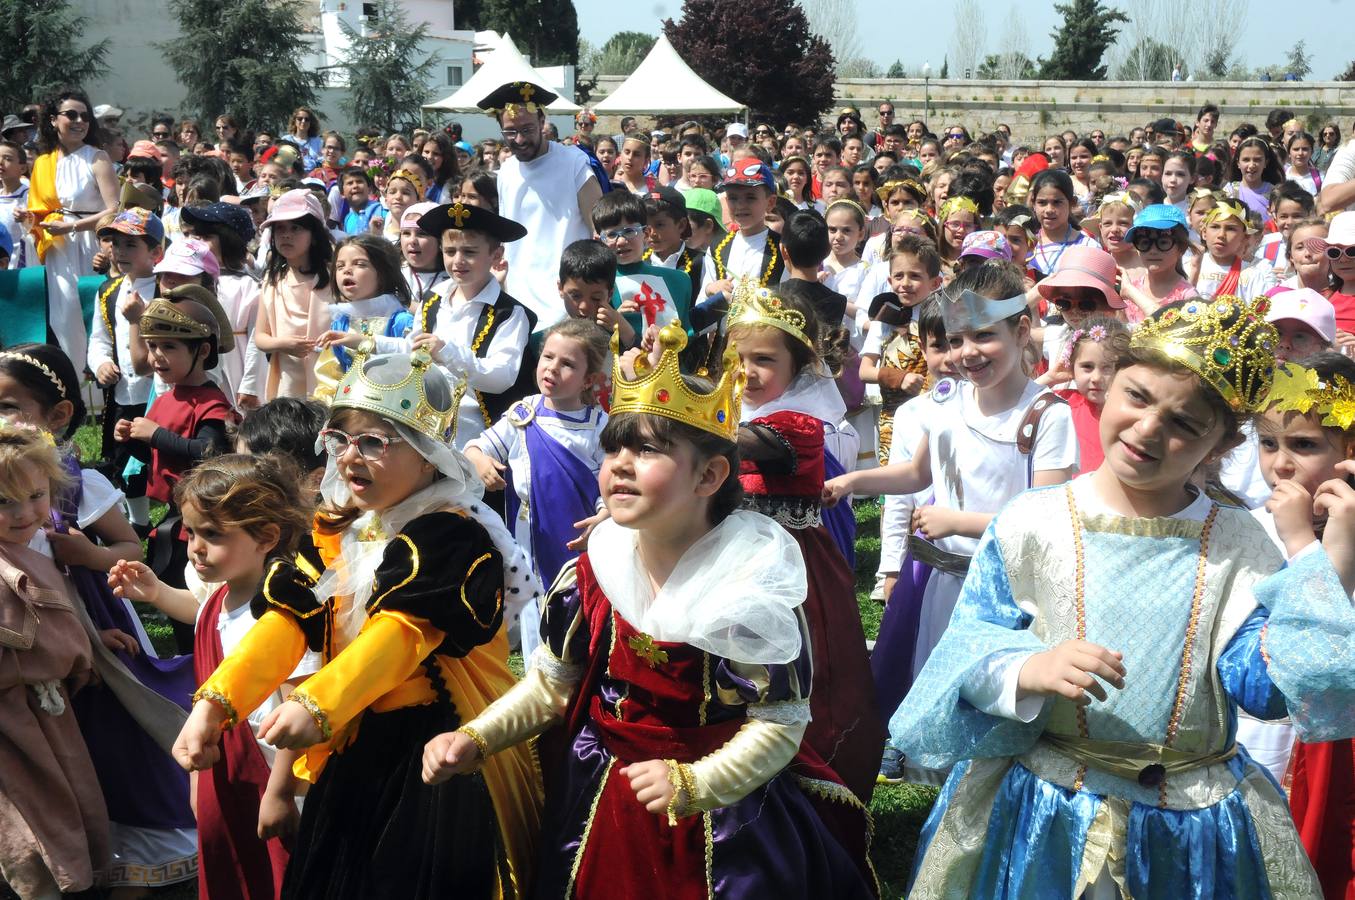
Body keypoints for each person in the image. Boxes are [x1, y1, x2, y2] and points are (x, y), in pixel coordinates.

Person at [892, 294, 1355, 897]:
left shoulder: (1239, 545)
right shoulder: (1033, 522)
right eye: (1136, 397)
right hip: (1049, 808)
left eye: (1185, 424)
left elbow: (1265, 692)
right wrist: (1030, 667)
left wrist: (1330, 568)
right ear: (1107, 388)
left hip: (1190, 825)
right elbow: (970, 643)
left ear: (1218, 447)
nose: (1147, 430)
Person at [422, 322, 877, 898]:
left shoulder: (744, 587)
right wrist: (478, 737)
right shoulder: (594, 572)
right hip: (605, 790)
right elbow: (551, 685)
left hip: (722, 814)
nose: (620, 464)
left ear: (710, 475)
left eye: (648, 450)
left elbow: (780, 722)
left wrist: (697, 782)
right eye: (613, 448)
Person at [175, 345, 544, 899]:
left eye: (374, 442)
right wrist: (218, 702)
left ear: (427, 456)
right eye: (341, 440)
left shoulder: (450, 534)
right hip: (356, 729)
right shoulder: (341, 523)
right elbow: (292, 619)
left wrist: (315, 705)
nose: (350, 459)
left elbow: (403, 632)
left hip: (429, 746)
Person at [824, 265, 1079, 782]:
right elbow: (919, 471)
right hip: (946, 584)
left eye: (985, 335)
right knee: (945, 697)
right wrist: (853, 482)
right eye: (958, 338)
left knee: (992, 714)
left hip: (1009, 596)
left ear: (1021, 331)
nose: (968, 352)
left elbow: (1047, 519)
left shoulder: (1047, 415)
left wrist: (954, 519)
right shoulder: (947, 400)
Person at [0, 344, 198, 894]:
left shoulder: (70, 482)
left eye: (11, 405)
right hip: (36, 663)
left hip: (90, 626)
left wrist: (90, 557)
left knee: (110, 745)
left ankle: (123, 850)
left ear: (58, 415)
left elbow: (130, 547)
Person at [110, 453, 320, 900]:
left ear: (266, 537)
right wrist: (157, 592)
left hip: (270, 776)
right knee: (231, 870)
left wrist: (282, 793)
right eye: (190, 532)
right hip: (222, 770)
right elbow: (207, 618)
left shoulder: (282, 612)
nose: (195, 547)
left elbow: (301, 711)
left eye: (213, 534)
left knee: (278, 877)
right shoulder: (224, 593)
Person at [0, 418, 111, 899]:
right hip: (13, 715)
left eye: (35, 496)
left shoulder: (34, 550)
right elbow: (43, 642)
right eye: (3, 502)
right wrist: (76, 655)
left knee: (64, 793)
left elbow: (58, 621)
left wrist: (94, 637)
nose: (23, 514)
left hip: (44, 707)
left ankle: (71, 877)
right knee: (30, 807)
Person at [465, 317, 609, 654]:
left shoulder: (599, 427)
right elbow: (475, 448)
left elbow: (610, 485)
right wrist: (482, 461)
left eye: (568, 364)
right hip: (528, 540)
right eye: (548, 357)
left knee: (576, 620)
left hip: (576, 542)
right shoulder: (523, 414)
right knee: (534, 617)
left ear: (589, 379)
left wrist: (604, 517)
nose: (553, 368)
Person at [354, 201, 536, 452]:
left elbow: (501, 377)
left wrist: (447, 353)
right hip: (426, 423)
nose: (458, 261)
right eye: (450, 252)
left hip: (480, 434)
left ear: (496, 255)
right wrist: (367, 343)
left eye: (470, 252)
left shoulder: (510, 314)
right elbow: (414, 347)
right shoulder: (435, 299)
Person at [480, 81, 603, 327]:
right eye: (510, 132)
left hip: (566, 301)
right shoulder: (506, 171)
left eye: (527, 129)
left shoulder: (574, 162)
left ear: (542, 121)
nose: (520, 139)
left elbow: (600, 226)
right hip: (518, 302)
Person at [22, 89, 119, 366]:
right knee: (62, 316)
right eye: (71, 115)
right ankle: (74, 384)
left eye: (85, 116)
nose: (79, 121)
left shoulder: (97, 157)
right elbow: (41, 211)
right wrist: (26, 218)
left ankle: (99, 389)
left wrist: (72, 227)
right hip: (57, 248)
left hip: (89, 244)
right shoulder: (42, 162)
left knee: (89, 311)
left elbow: (115, 209)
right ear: (53, 120)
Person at [859, 236, 943, 465]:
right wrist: (898, 377)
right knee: (894, 473)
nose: (905, 283)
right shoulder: (884, 320)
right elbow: (865, 371)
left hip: (935, 411)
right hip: (892, 415)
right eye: (899, 276)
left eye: (915, 276)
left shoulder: (941, 319)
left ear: (935, 283)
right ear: (889, 280)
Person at [179, 201, 267, 409]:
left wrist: (250, 385)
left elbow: (256, 338)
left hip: (237, 363)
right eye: (196, 236)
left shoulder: (249, 285)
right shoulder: (193, 281)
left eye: (207, 237)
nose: (199, 243)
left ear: (229, 241)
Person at [253, 189, 335, 400]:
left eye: (296, 228)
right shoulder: (273, 280)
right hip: (287, 384)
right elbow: (261, 337)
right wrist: (283, 344)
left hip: (330, 382)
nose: (286, 235)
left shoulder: (333, 278)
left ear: (314, 235)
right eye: (280, 229)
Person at [313, 234, 415, 399]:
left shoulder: (401, 321)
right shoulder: (341, 323)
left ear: (383, 273)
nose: (347, 270)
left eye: (359, 264)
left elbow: (415, 362)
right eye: (339, 266)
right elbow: (329, 377)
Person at [593, 191, 693, 339]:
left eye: (629, 232)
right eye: (612, 235)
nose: (620, 241)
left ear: (645, 234)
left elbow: (687, 335)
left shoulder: (679, 280)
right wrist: (613, 321)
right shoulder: (597, 284)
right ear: (601, 240)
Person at [701, 157, 786, 298]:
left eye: (750, 197)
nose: (740, 205)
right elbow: (701, 303)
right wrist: (709, 289)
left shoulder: (783, 249)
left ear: (770, 202)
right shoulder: (718, 247)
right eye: (733, 198)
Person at [1194, 198, 1277, 302]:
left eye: (1230, 229)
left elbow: (1261, 316)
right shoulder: (1190, 267)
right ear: (1204, 233)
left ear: (1245, 237)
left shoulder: (1253, 276)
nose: (1221, 235)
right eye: (1215, 227)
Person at [1028, 169, 1098, 278]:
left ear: (1072, 203)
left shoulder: (1088, 246)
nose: (1049, 210)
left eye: (1057, 202)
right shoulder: (1026, 246)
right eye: (1042, 203)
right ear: (1033, 203)